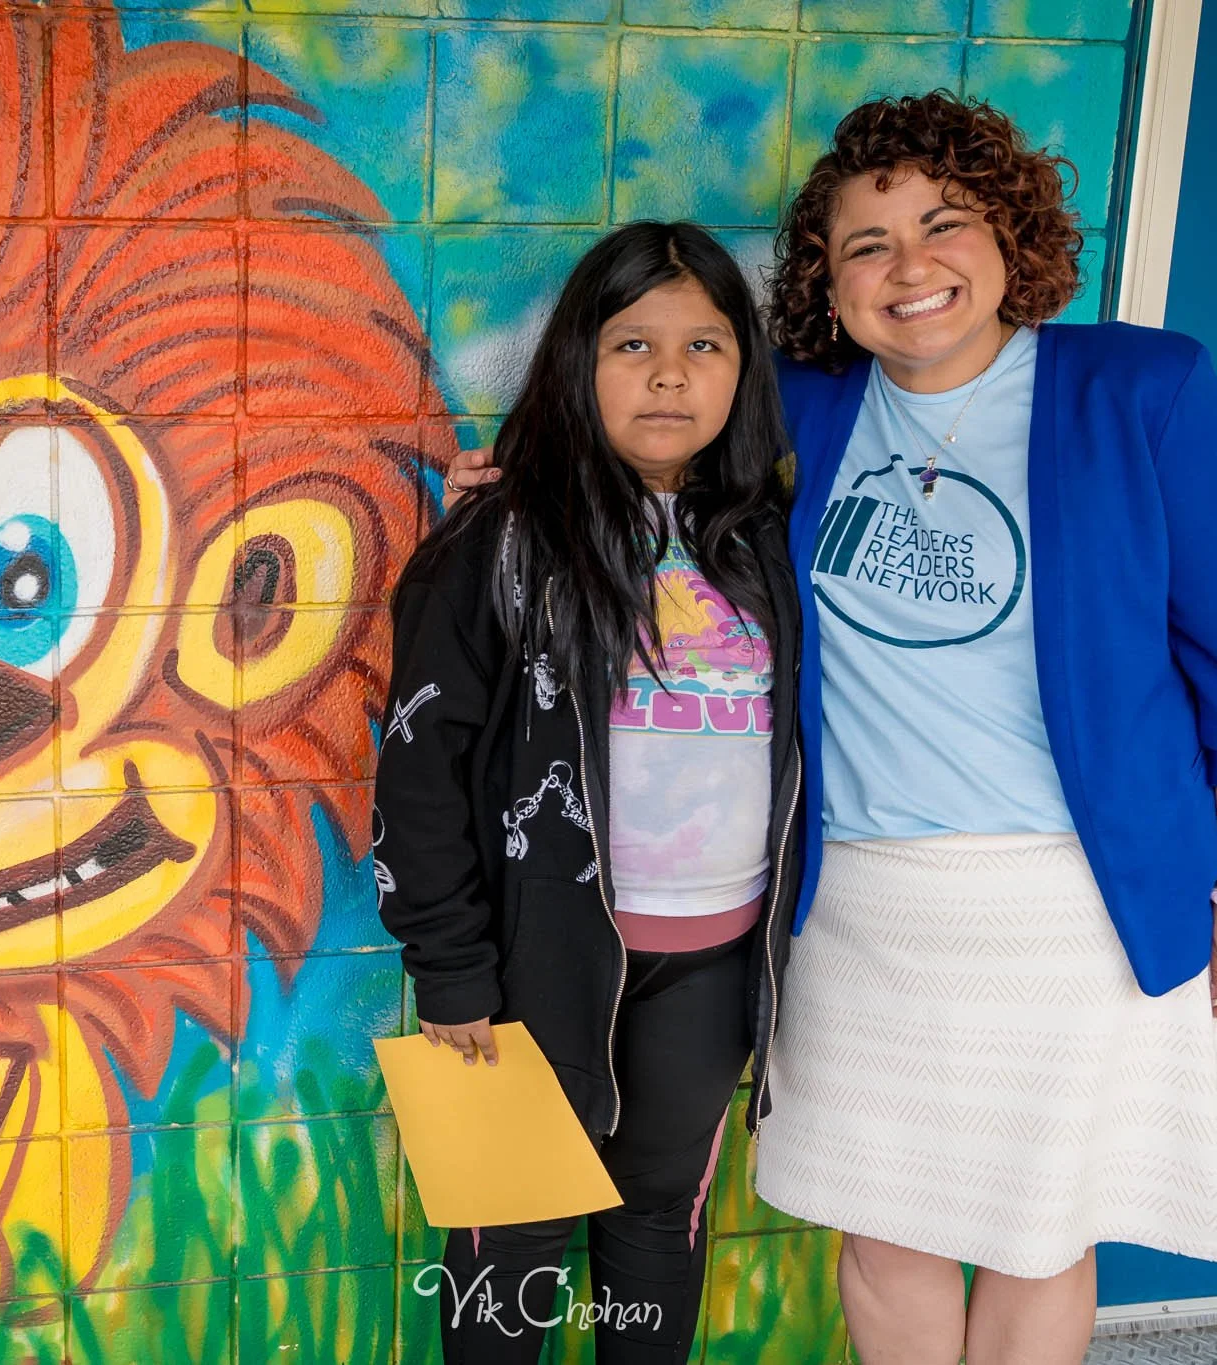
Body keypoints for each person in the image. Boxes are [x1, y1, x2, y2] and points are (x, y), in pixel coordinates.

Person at [443, 93, 1217, 1365]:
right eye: (867, 246)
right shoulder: (801, 406)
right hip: (857, 903)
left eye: (942, 224)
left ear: (1008, 235)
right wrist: (521, 477)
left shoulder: (1137, 389)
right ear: (829, 285)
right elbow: (650, 442)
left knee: (1039, 1233)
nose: (910, 269)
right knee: (886, 1231)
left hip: (1070, 901)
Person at [374, 220, 805, 1363]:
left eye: (705, 346)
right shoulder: (504, 539)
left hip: (711, 965)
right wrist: (452, 974)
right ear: (577, 361)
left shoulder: (766, 546)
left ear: (742, 370)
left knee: (655, 1226)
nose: (669, 373)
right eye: (632, 345)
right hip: (533, 965)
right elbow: (420, 772)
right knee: (511, 1244)